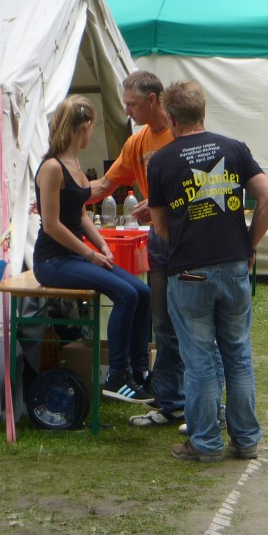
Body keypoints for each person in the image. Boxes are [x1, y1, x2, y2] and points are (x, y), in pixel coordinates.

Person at [147, 80, 268, 462]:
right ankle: (246, 440)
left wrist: (187, 241)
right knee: (238, 354)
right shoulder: (234, 148)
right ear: (203, 111)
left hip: (189, 271)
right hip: (234, 264)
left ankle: (204, 443)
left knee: (199, 359)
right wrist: (249, 243)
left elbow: (159, 226)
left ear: (170, 117)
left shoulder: (161, 160)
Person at [33, 96, 153, 404]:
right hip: (52, 260)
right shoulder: (52, 167)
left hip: (74, 255)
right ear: (84, 126)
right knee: (125, 295)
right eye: (92, 128)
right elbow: (52, 225)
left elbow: (81, 214)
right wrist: (90, 254)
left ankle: (141, 372)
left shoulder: (74, 165)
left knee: (142, 292)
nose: (91, 134)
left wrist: (100, 243)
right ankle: (117, 375)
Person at [88, 71, 190, 426]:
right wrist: (58, 195)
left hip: (191, 242)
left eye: (131, 104)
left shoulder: (184, 135)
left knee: (191, 323)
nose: (127, 112)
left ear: (152, 100)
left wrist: (162, 203)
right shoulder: (137, 142)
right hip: (159, 243)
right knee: (162, 324)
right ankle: (168, 401)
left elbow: (202, 192)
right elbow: (104, 185)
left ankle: (201, 405)